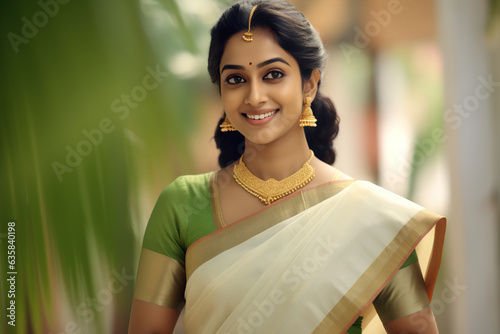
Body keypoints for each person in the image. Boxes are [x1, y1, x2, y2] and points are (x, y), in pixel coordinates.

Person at [128, 1, 446, 333]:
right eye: (235, 79)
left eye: (273, 74)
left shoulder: (375, 218)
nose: (254, 96)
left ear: (309, 84)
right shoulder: (182, 206)